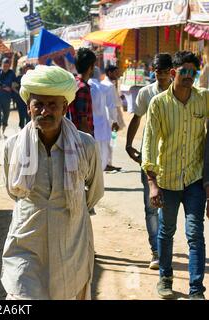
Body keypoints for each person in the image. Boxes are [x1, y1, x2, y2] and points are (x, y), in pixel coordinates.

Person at [2, 65, 104, 300]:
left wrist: (71, 206)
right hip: (26, 241)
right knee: (22, 295)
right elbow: (13, 191)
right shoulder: (14, 146)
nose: (45, 111)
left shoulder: (85, 146)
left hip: (71, 242)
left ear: (65, 108)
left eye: (52, 105)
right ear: (28, 106)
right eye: (38, 104)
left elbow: (94, 192)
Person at [142, 51, 209, 300]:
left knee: (195, 234)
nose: (189, 77)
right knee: (166, 231)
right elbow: (149, 145)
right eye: (185, 72)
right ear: (173, 73)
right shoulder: (158, 103)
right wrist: (153, 184)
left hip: (194, 179)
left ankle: (196, 289)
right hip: (167, 180)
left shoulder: (204, 99)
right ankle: (165, 278)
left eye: (194, 72)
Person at [126, 53, 173, 270]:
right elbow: (136, 118)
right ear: (153, 72)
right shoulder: (146, 93)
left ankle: (165, 246)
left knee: (169, 207)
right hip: (149, 157)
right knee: (150, 206)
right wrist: (128, 144)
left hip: (173, 157)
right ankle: (156, 250)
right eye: (158, 72)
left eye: (165, 72)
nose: (161, 76)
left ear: (171, 72)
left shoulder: (179, 92)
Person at [88, 67, 112, 170]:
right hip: (101, 124)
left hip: (90, 124)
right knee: (102, 151)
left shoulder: (85, 86)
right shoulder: (102, 87)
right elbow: (110, 106)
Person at [67, 48, 95, 136]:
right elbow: (82, 121)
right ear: (91, 67)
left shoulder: (73, 83)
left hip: (72, 134)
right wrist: (90, 141)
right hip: (81, 138)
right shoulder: (83, 88)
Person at [101, 65, 122, 171]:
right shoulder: (109, 86)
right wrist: (115, 121)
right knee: (110, 142)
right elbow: (112, 105)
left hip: (102, 118)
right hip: (110, 119)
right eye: (116, 72)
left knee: (105, 142)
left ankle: (106, 163)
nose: (117, 75)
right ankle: (107, 163)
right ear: (109, 73)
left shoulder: (103, 84)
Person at [13, 64, 34, 130]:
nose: (28, 70)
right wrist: (19, 93)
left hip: (30, 99)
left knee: (29, 114)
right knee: (21, 114)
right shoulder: (19, 77)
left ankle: (28, 128)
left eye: (30, 68)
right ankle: (21, 127)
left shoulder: (34, 78)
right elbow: (13, 87)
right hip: (20, 99)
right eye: (27, 68)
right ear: (24, 69)